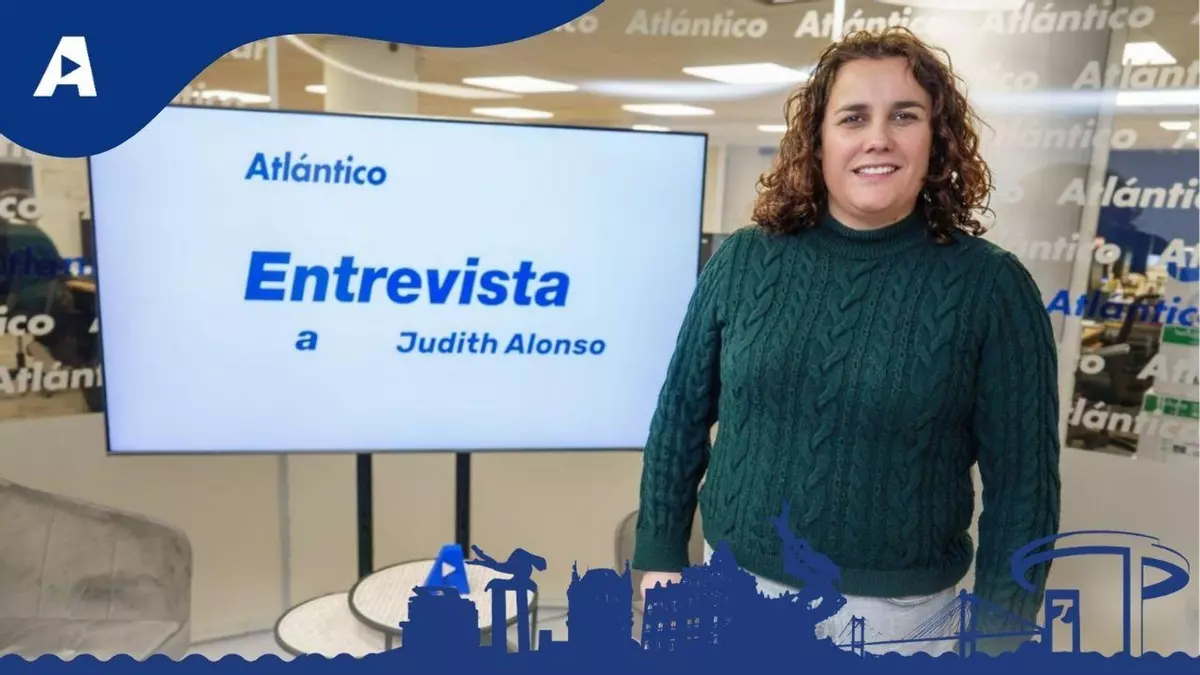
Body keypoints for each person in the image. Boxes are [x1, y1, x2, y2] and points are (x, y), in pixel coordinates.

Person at [632, 27, 1060, 656]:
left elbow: (1024, 490)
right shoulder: (745, 261)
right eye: (853, 117)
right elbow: (679, 420)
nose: (877, 138)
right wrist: (660, 555)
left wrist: (1000, 639)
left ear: (937, 139)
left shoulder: (992, 288)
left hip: (900, 626)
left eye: (904, 116)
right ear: (819, 140)